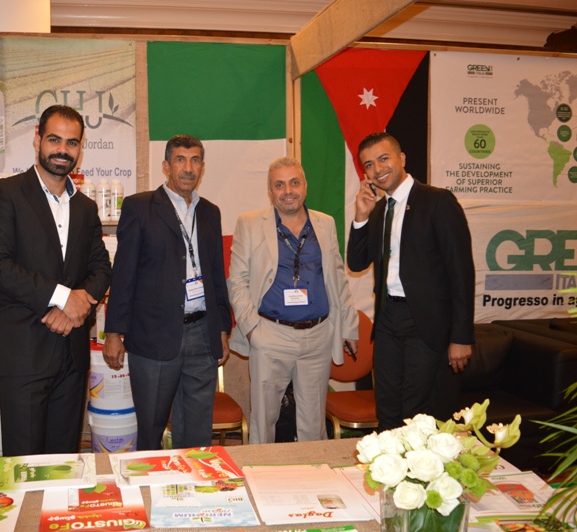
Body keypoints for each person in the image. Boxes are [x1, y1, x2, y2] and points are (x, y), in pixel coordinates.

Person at [0, 104, 111, 455]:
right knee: (25, 464)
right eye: (54, 140)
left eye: (72, 143)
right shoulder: (4, 194)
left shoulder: (86, 208)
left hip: (71, 356)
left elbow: (101, 267)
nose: (63, 150)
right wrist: (64, 298)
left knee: (65, 461)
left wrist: (77, 306)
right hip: (23, 353)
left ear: (80, 149)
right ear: (37, 140)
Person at [103, 134, 232, 450]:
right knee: (151, 429)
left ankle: (192, 478)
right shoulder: (140, 207)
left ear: (202, 166)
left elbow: (216, 274)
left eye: (195, 160)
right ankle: (151, 478)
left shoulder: (210, 212)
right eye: (180, 160)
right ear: (166, 166)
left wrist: (222, 328)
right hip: (153, 336)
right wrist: (114, 332)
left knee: (197, 430)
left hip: (202, 334)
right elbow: (124, 274)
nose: (188, 168)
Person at [347, 132, 474, 431]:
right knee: (387, 407)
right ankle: (387, 461)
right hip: (387, 321)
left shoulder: (438, 201)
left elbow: (461, 272)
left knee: (418, 413)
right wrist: (361, 217)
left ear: (402, 158)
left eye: (383, 158)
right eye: (369, 165)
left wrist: (462, 336)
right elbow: (356, 262)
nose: (377, 169)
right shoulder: (379, 210)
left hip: (425, 324)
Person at [227, 157, 359, 443]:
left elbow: (338, 278)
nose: (288, 191)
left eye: (294, 183)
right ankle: (260, 470)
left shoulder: (325, 224)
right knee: (264, 421)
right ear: (270, 191)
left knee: (313, 423)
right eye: (279, 185)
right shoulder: (250, 223)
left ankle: (312, 470)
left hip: (318, 336)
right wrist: (252, 330)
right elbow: (237, 280)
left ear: (305, 186)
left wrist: (349, 326)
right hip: (270, 335)